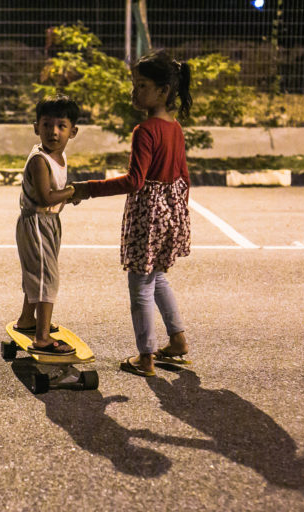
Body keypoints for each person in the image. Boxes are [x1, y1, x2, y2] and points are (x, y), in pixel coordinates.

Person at [71, 50, 193, 377]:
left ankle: (146, 357)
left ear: (163, 91)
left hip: (147, 218)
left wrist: (87, 188)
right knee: (158, 276)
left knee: (140, 287)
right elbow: (184, 177)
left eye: (141, 86)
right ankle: (178, 341)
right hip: (171, 214)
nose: (134, 92)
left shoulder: (146, 130)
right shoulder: (175, 128)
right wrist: (178, 215)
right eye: (134, 85)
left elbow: (134, 181)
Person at [13, 94, 80, 354]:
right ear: (36, 127)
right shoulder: (40, 160)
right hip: (37, 223)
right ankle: (41, 338)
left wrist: (67, 196)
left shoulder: (58, 156)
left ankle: (27, 320)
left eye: (61, 126)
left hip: (49, 222)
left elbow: (54, 195)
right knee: (46, 279)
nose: (54, 132)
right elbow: (45, 197)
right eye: (47, 125)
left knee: (38, 274)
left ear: (73, 131)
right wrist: (72, 191)